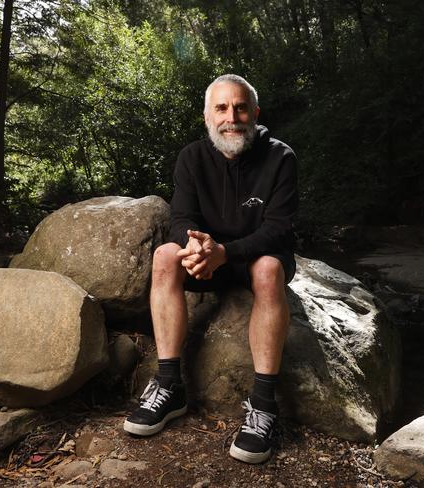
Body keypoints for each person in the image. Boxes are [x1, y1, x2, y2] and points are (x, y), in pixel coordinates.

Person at [123, 74, 298, 464]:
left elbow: (278, 229)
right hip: (210, 257)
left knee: (270, 268)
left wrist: (226, 252)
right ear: (207, 116)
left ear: (255, 113)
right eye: (221, 108)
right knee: (165, 256)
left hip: (256, 256)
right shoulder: (191, 157)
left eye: (239, 107)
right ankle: (170, 386)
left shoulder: (281, 157)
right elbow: (182, 216)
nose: (230, 117)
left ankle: (264, 404)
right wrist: (196, 247)